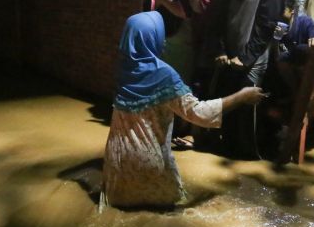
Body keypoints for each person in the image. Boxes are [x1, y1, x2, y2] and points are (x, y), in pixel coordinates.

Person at [102, 12, 265, 209]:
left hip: (116, 166)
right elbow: (199, 113)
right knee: (167, 212)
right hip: (150, 166)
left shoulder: (122, 70)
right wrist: (242, 96)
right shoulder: (163, 75)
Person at [212, 0, 284, 157]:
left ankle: (249, 154)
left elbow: (266, 25)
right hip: (233, 55)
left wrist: (246, 57)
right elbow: (225, 20)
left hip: (254, 58)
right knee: (230, 103)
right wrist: (223, 50)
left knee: (247, 105)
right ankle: (231, 149)